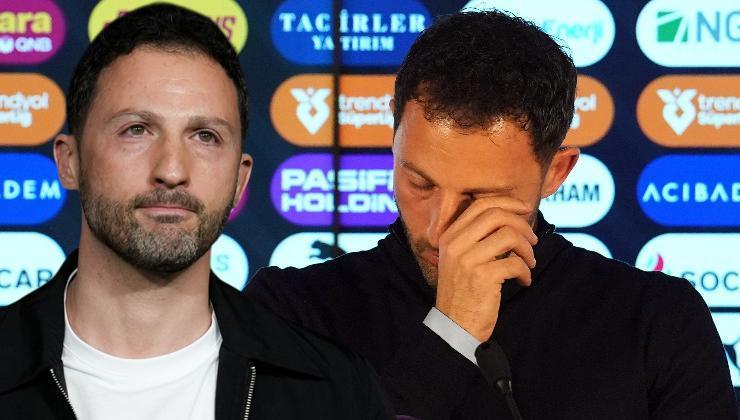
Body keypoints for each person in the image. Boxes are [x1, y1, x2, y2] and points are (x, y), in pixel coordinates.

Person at [246, 10, 738, 419]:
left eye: (479, 197)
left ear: (556, 172)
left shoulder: (657, 322)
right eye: (419, 182)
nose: (440, 228)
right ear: (393, 138)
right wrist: (450, 332)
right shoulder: (290, 314)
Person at [0, 4, 392, 419]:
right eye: (136, 130)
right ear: (70, 161)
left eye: (205, 136)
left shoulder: (336, 394)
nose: (172, 171)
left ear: (240, 180)